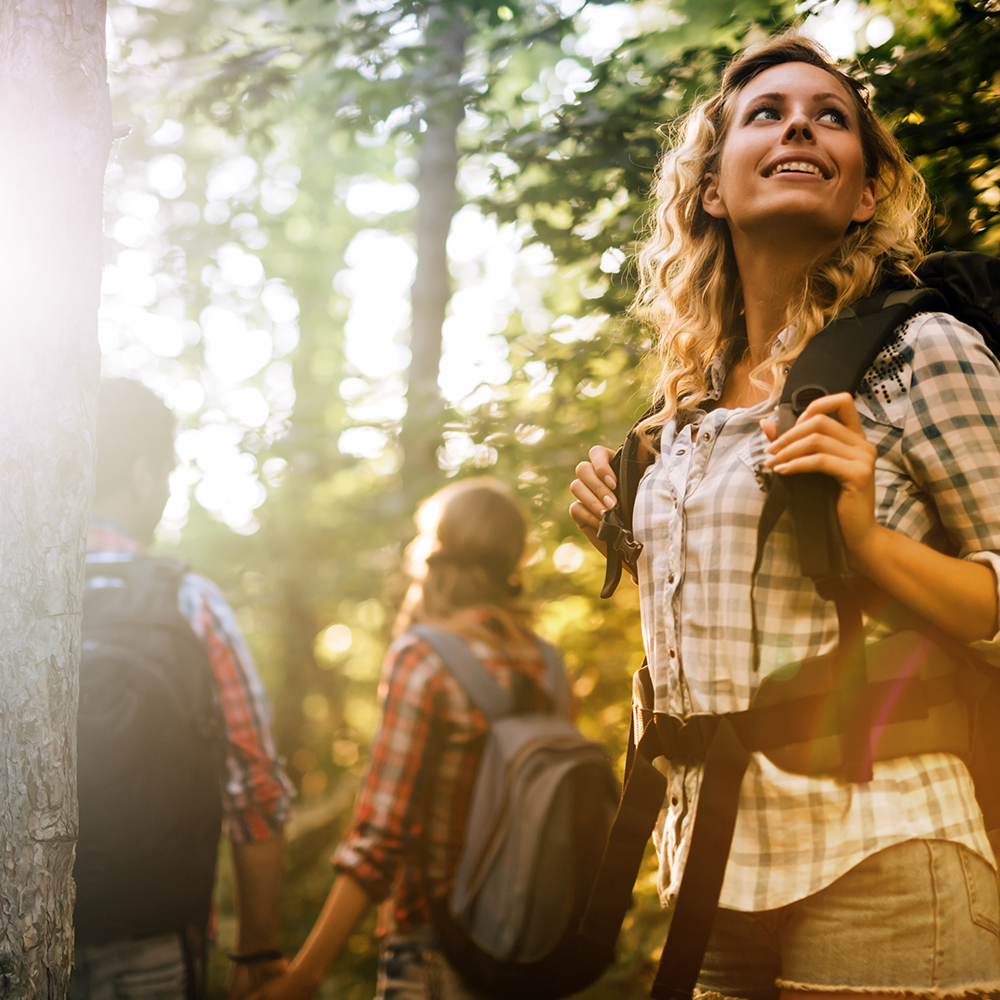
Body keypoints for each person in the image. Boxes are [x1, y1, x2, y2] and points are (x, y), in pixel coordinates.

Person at [570, 32, 1000, 999]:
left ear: (862, 192)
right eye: (766, 113)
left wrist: (864, 535)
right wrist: (626, 535)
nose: (800, 123)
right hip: (712, 872)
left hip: (887, 854)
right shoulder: (678, 415)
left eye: (831, 117)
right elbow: (754, 626)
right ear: (713, 189)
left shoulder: (922, 351)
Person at [248, 477, 569, 1000]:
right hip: (531, 948)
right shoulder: (547, 664)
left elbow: (381, 839)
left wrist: (302, 976)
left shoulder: (424, 659)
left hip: (438, 953)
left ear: (433, 553)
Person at [71, 377, 295, 1000]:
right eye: (166, 471)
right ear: (143, 473)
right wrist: (258, 950)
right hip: (154, 938)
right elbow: (255, 788)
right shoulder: (191, 601)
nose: (167, 489)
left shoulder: (15, 595)